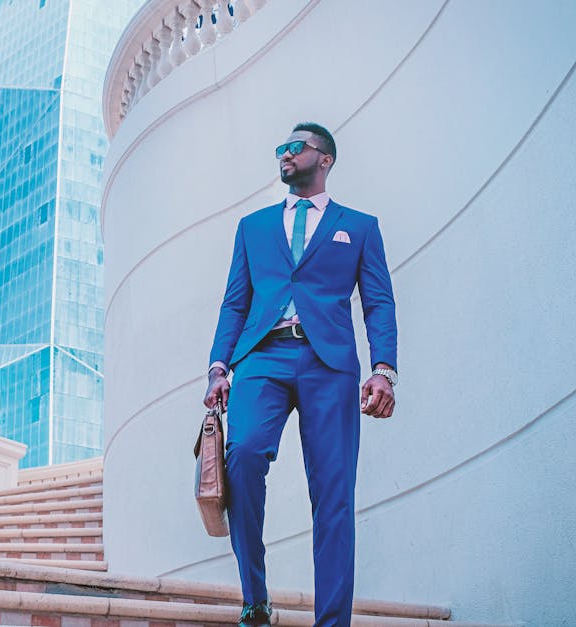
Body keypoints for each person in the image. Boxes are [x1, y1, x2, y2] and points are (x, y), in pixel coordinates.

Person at [203, 122, 398, 627]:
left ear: (325, 159)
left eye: (296, 148)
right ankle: (256, 597)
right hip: (261, 358)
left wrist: (384, 370)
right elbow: (234, 302)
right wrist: (218, 367)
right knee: (242, 456)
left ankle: (331, 622)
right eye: (281, 149)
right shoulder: (254, 227)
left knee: (333, 493)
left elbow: (377, 301)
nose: (285, 155)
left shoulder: (359, 227)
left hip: (329, 365)